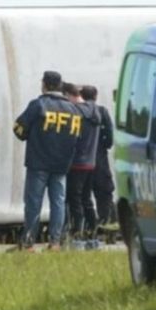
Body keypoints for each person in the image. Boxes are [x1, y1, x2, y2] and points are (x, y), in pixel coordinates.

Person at [13, 71, 83, 250]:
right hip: (61, 164)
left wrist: (29, 136)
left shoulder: (38, 105)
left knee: (33, 202)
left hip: (38, 162)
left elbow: (19, 128)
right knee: (58, 203)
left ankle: (28, 243)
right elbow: (77, 136)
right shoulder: (74, 109)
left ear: (44, 84)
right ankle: (55, 242)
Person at [66, 84, 103, 249]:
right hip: (90, 162)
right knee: (87, 200)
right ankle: (93, 236)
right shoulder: (97, 111)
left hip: (76, 162)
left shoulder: (75, 112)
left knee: (74, 200)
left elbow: (71, 136)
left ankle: (77, 236)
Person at [85, 86, 116, 227]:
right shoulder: (102, 112)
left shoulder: (78, 111)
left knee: (83, 194)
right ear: (96, 96)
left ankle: (87, 225)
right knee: (104, 192)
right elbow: (110, 135)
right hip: (100, 157)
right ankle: (106, 220)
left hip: (83, 159)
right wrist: (105, 146)